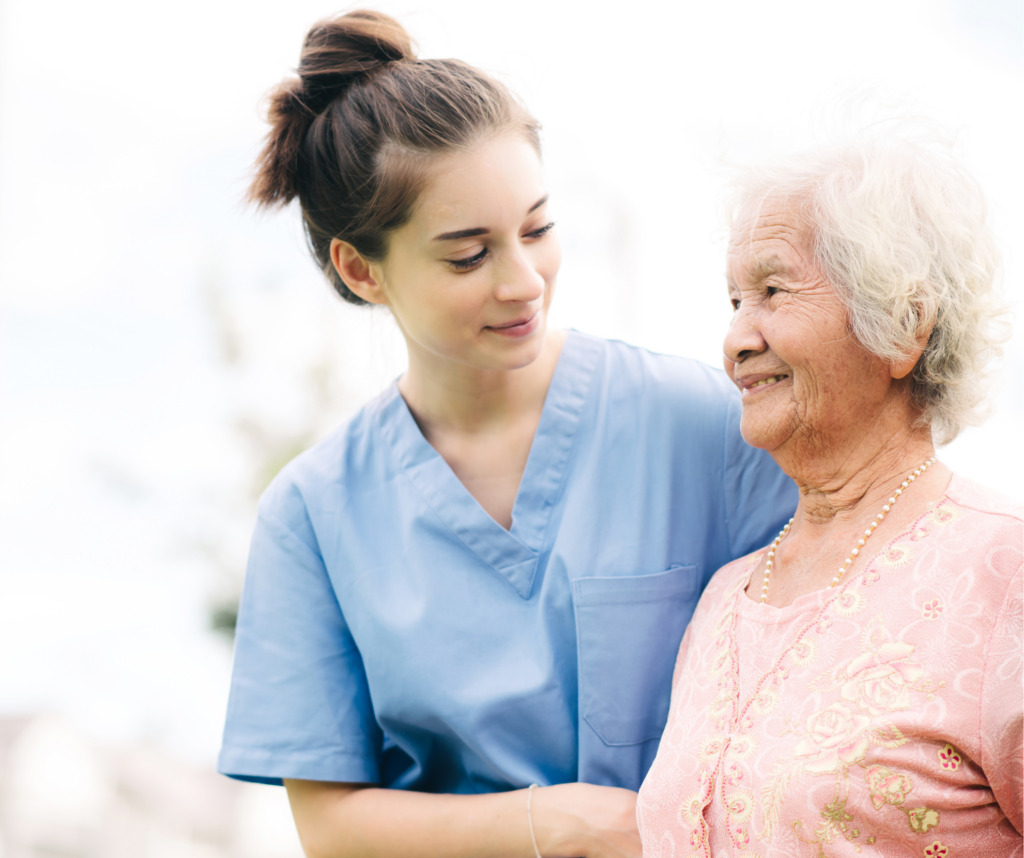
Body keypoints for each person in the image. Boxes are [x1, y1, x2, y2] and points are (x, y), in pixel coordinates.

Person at [217, 10, 795, 858]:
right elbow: (332, 825)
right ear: (360, 268)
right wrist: (553, 826)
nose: (524, 281)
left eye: (537, 229)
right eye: (467, 255)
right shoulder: (312, 516)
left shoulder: (709, 428)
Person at [636, 138, 1022, 856]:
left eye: (773, 292)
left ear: (904, 324)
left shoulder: (1006, 570)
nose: (735, 340)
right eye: (733, 301)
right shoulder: (727, 595)